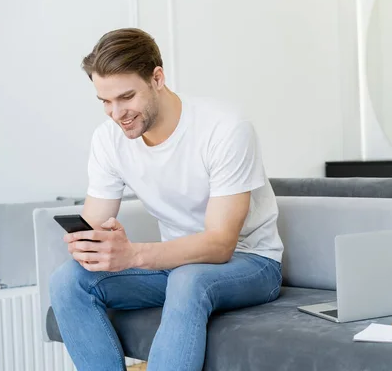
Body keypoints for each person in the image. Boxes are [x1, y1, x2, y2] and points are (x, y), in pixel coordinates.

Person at [48, 28, 284, 371]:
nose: (117, 113)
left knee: (189, 280)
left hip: (251, 263)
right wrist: (91, 246)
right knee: (67, 280)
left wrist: (133, 254)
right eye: (105, 102)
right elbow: (94, 224)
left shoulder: (225, 128)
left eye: (126, 97)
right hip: (172, 266)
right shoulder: (108, 140)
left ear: (157, 78)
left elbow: (221, 245)